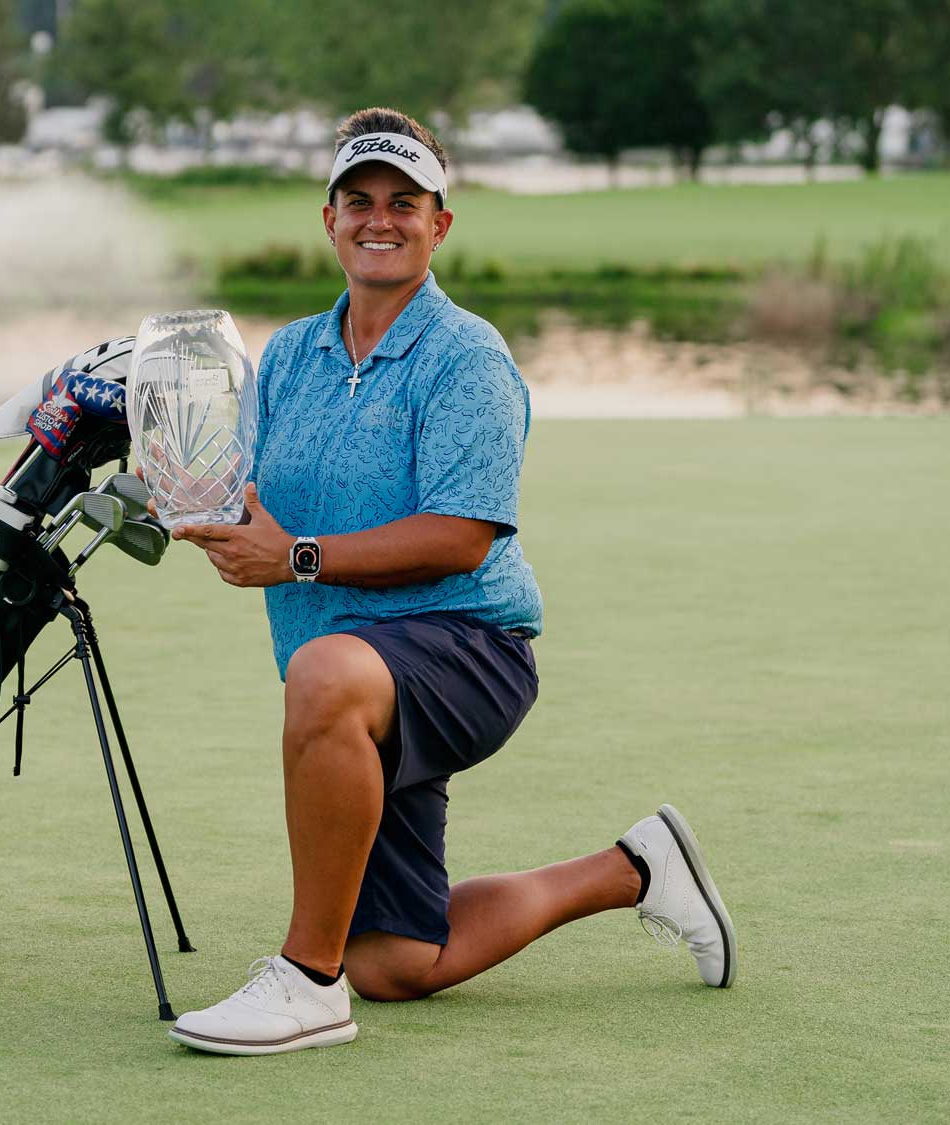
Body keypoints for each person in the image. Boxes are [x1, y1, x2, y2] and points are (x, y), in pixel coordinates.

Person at [164, 108, 737, 1057]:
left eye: (404, 202)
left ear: (441, 224)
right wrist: (182, 493)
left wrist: (296, 556)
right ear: (330, 220)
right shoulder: (290, 358)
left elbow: (462, 536)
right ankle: (635, 867)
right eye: (359, 202)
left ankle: (307, 983)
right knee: (398, 961)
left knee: (323, 675)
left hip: (468, 647)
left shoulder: (468, 354)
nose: (378, 219)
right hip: (358, 681)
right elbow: (250, 494)